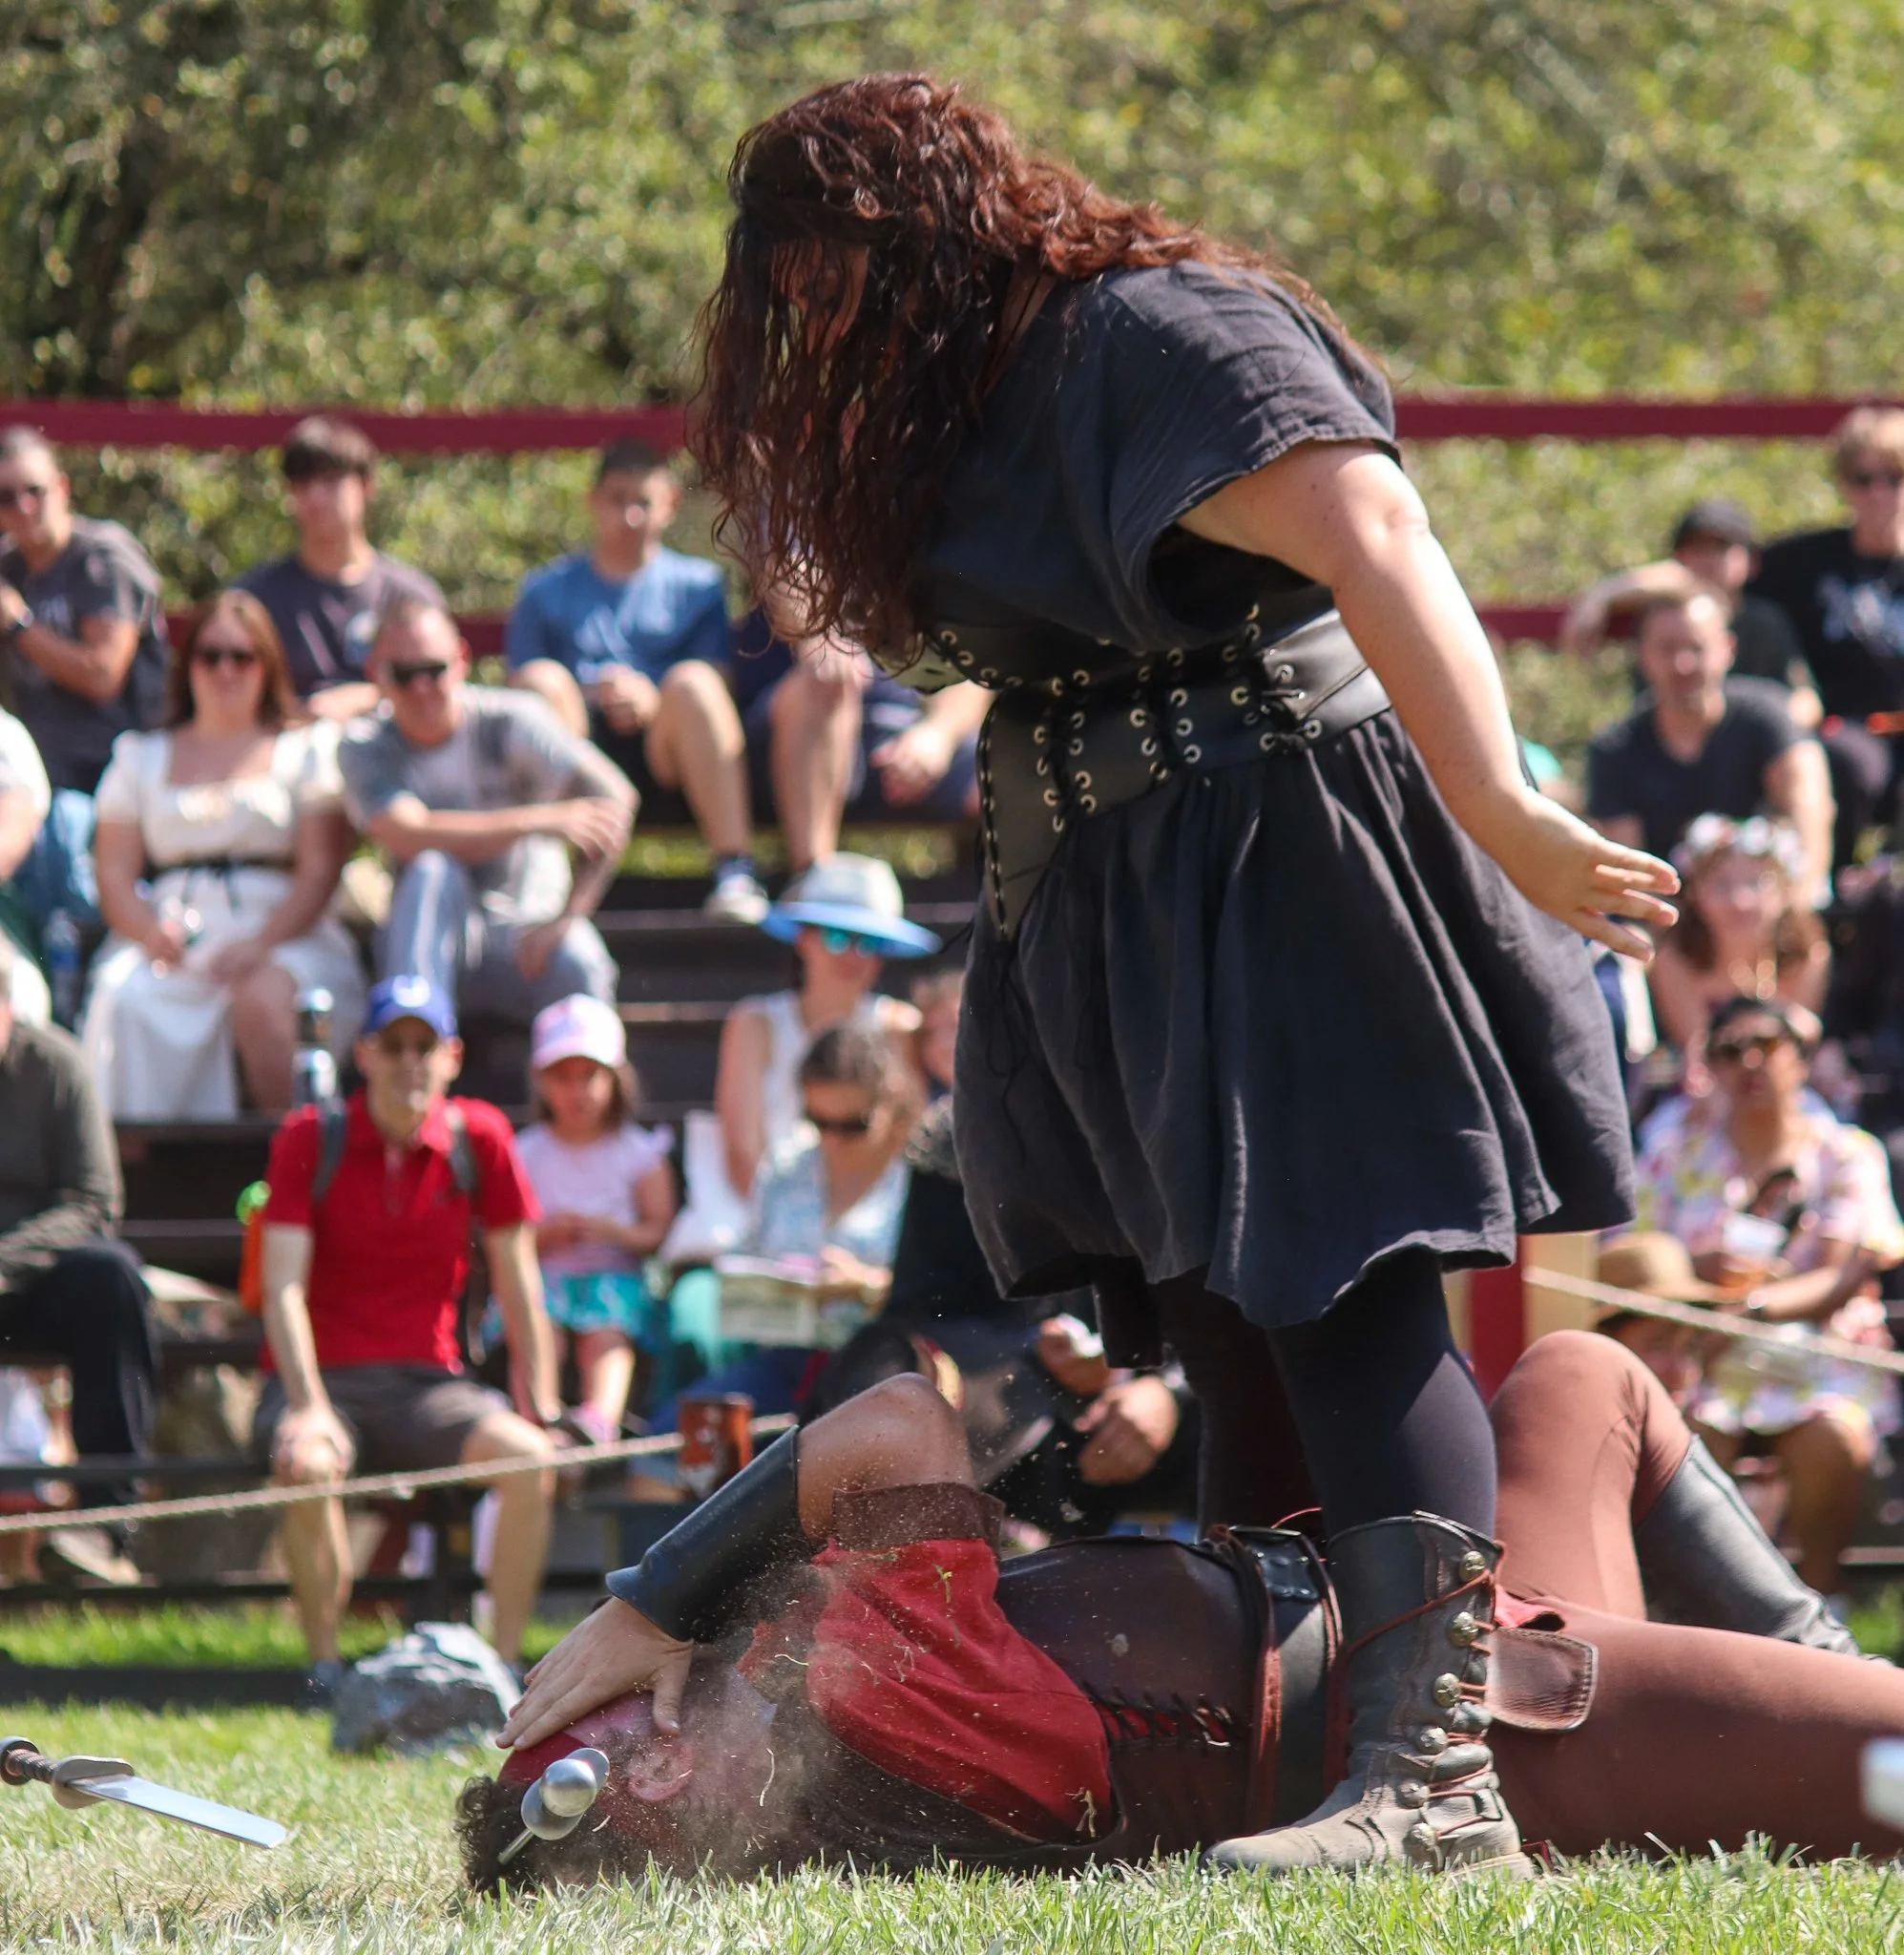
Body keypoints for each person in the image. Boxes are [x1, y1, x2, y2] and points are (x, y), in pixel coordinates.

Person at [686, 74, 1680, 1874]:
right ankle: (1298, 1750)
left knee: (1347, 1282)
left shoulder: (1150, 328)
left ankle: (1436, 1782)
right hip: (1128, 887)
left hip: (1290, 856)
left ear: (907, 230)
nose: (802, 320)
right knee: (1225, 1325)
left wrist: (1509, 808)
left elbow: (1374, 532)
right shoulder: (968, 405)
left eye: (817, 269)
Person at [474, 1332, 1892, 1887]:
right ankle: (1812, 1689)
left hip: (1420, 1615)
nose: (651, 1718)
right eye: (622, 1742)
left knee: (1581, 1378)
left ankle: (1807, 1658)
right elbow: (900, 1417)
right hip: (1495, 1719)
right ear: (652, 1776)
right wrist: (650, 1600)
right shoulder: (854, 1706)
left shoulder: (815, 1696)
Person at [253, 976, 561, 1684]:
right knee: (310, 1463)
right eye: (394, 1044)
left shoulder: (479, 1137)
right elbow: (282, 1289)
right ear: (364, 1053)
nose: (410, 1061)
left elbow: (521, 1285)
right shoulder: (310, 1136)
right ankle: (324, 1670)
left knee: (531, 1460)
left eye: (425, 1045)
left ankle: (506, 1671)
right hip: (318, 1379)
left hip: (428, 1385)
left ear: (452, 1056)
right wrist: (307, 1408)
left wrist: (540, 1407)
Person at [1633, 992, 1903, 1606]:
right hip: (1702, 1358)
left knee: (1835, 1439)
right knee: (1684, 1442)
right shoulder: (1673, 1150)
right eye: (1730, 1050)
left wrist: (1751, 1310)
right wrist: (1696, 1270)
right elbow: (1633, 1253)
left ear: (1801, 1060)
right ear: (1712, 1068)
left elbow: (1841, 1275)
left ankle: (1822, 1604)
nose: (1750, 1062)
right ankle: (1712, 1613)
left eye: (1767, 1046)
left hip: (1823, 1356)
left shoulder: (1846, 1153)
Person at [81, 591, 365, 1120]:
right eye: (211, 655)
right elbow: (113, 875)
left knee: (265, 1004)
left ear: (267, 665)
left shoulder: (304, 750)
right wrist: (148, 933)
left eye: (242, 656)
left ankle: (294, 1171)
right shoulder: (139, 756)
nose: (225, 670)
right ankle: (136, 1187)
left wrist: (262, 943)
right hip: (169, 932)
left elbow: (320, 869)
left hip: (284, 930)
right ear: (189, 666)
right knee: (123, 1000)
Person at [505, 439, 766, 924]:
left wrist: (650, 696)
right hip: (577, 744)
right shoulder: (543, 590)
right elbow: (519, 692)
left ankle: (735, 871)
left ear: (669, 504)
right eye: (616, 499)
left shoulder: (699, 587)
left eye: (641, 502)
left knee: (693, 683)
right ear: (592, 502)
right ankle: (539, 873)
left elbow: (718, 679)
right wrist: (590, 694)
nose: (628, 516)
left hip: (665, 751)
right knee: (542, 682)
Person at [339, 598, 633, 1023]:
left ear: (460, 661)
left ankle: (592, 1087)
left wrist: (569, 915)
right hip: (427, 943)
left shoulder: (512, 721)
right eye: (404, 675)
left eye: (433, 671)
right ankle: (414, 1064)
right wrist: (538, 819)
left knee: (582, 959)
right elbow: (407, 832)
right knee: (432, 869)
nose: (421, 688)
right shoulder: (364, 745)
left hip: (528, 933)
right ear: (376, 675)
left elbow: (616, 796)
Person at [0, 935, 156, 1587]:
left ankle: (102, 1526)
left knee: (112, 1277)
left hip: (38, 1285)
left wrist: (6, 1260)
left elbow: (94, 1202)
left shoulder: (56, 1066)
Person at [670, 1023, 916, 1427]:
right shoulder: (787, 1168)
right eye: (818, 1122)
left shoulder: (919, 1178)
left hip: (883, 1373)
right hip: (784, 1364)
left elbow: (949, 1296)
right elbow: (746, 1261)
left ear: (890, 1104)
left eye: (853, 1125)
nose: (832, 1140)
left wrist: (868, 1285)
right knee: (678, 1443)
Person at [0, 426, 167, 927]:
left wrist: (18, 625)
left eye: (34, 491)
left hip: (114, 773)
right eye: (6, 497)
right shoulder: (7, 567)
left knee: (64, 833)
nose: (24, 507)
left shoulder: (103, 558)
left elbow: (103, 675)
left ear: (63, 488)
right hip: (30, 774)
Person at [1587, 589, 1833, 902]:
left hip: (1772, 911)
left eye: (1696, 647)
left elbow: (1810, 811)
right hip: (1671, 924)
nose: (1683, 663)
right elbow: (1630, 876)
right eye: (1667, 648)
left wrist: (1800, 907)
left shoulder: (1770, 718)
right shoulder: (1614, 748)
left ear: (1727, 649)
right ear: (1643, 656)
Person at [713, 853, 935, 1200]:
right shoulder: (753, 1023)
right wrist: (789, 1228)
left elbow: (904, 1146)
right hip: (756, 1222)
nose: (852, 954)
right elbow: (743, 1157)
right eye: (836, 936)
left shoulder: (901, 1027)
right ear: (803, 939)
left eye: (869, 942)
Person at [511, 994, 677, 1445]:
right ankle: (536, 1417)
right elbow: (508, 1235)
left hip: (616, 1282)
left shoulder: (639, 1153)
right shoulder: (523, 1152)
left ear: (615, 1078)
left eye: (589, 1076)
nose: (577, 1091)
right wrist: (547, 1235)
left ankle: (599, 1419)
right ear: (540, 1082)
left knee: (606, 1334)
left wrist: (614, 1233)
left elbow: (657, 1229)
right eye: (561, 1078)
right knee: (536, 1324)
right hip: (547, 1281)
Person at [1751, 407, 1904, 854]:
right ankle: (1833, 900)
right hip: (1844, 728)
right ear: (1843, 484)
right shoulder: (1806, 561)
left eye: (1895, 477)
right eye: (1863, 479)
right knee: (1847, 764)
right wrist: (1612, 593)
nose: (1879, 493)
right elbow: (1712, 571)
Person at [729, 611, 989, 873]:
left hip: (902, 739)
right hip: (785, 740)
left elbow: (969, 668)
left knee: (1006, 761)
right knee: (826, 680)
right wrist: (821, 640)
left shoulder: (927, 579)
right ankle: (812, 880)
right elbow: (789, 589)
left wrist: (936, 734)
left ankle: (1009, 900)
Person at [236, 416, 446, 721]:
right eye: (302, 482)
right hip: (285, 753)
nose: (316, 496)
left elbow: (442, 683)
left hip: (397, 753)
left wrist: (366, 697)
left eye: (330, 480)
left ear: (367, 486)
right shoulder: (255, 598)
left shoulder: (410, 594)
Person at [1563, 497, 1817, 709]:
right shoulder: (1659, 621)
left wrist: (1777, 733)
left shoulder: (1765, 622)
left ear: (1749, 560)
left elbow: (1804, 698)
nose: (1708, 559)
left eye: (1721, 547)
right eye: (1697, 548)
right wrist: (1597, 598)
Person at [1646, 813, 1829, 1077]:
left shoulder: (1806, 954)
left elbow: (1796, 1050)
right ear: (1695, 892)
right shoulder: (1673, 959)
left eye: (1757, 883)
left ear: (1785, 890)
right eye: (1722, 885)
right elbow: (1699, 1055)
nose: (1740, 901)